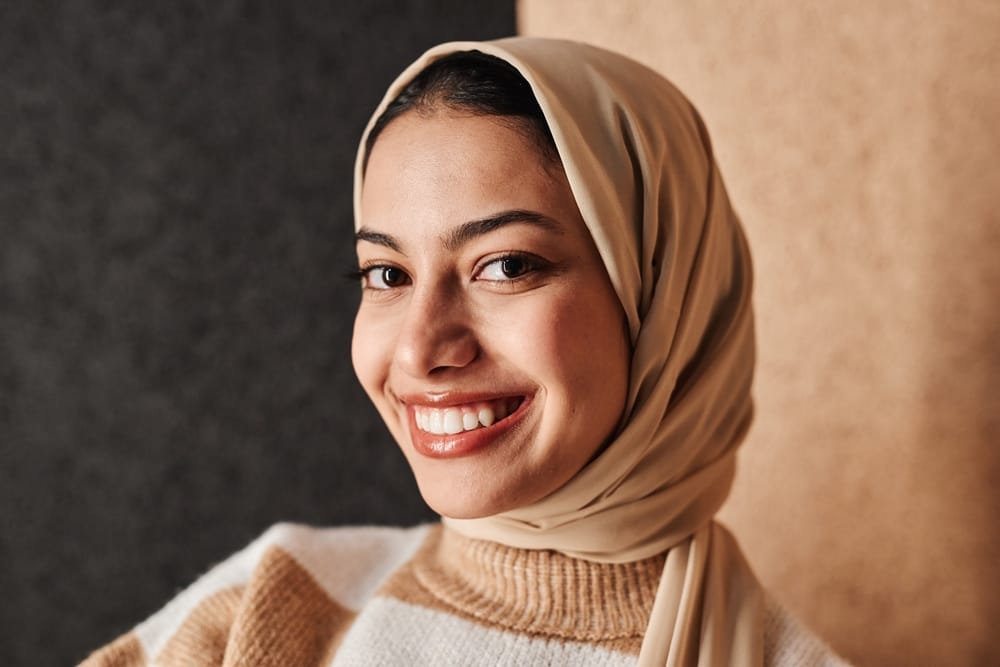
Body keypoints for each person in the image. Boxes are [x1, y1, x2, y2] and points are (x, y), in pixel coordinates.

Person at [82, 37, 849, 666]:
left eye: (507, 266)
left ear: (665, 294)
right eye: (387, 274)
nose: (421, 347)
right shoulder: (274, 601)